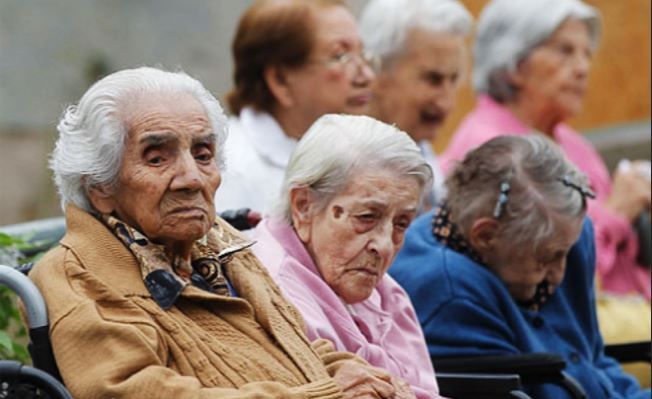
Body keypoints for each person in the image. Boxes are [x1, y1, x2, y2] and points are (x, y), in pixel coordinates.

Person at [28, 66, 407, 398]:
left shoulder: (216, 241)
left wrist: (344, 369)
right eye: (157, 157)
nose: (192, 177)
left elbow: (290, 341)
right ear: (99, 185)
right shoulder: (80, 275)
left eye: (203, 154)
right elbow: (133, 391)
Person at [391, 135, 650, 399]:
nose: (559, 274)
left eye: (566, 253)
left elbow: (593, 359)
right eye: (545, 258)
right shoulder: (447, 289)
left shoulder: (565, 234)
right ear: (485, 236)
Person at [440, 0, 651, 301]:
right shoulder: (492, 150)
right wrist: (618, 212)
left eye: (586, 54)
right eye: (564, 51)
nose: (582, 68)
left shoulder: (571, 141)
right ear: (513, 64)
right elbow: (542, 275)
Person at [251, 114, 440, 398]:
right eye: (366, 217)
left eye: (401, 224)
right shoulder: (275, 295)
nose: (385, 246)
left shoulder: (385, 290)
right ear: (303, 206)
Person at [215, 0, 377, 214]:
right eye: (340, 56)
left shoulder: (353, 154)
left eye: (363, 54)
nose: (366, 76)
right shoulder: (230, 169)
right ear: (280, 80)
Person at [359, 0, 472, 204]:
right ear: (376, 70)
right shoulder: (343, 171)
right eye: (433, 79)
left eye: (454, 80)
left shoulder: (420, 152)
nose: (447, 103)